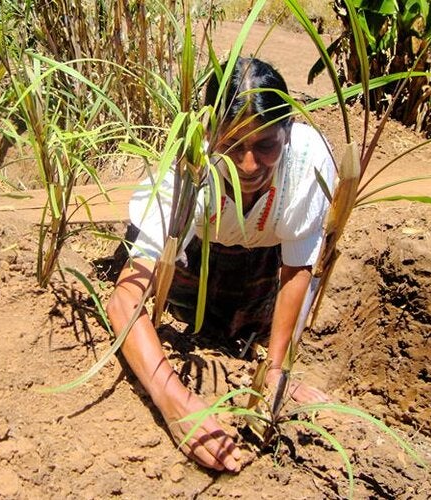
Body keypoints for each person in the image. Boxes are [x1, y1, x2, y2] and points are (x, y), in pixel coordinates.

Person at [106, 57, 336, 473]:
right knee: (182, 316)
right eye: (233, 146)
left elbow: (296, 269)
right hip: (191, 258)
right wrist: (174, 401)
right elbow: (124, 303)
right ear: (210, 135)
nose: (249, 167)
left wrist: (275, 369)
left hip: (260, 262)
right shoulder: (184, 174)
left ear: (288, 132)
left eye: (266, 145)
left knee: (248, 330)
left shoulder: (309, 163)